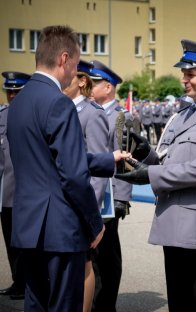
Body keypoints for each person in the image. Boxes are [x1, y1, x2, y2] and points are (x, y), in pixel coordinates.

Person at [116, 39, 196, 312]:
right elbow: (168, 161)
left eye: (190, 73)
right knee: (180, 304)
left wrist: (149, 173)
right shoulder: (182, 116)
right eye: (183, 73)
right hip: (174, 223)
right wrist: (144, 152)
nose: (184, 79)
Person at [6, 25, 129, 312]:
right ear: (63, 59)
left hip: (28, 226)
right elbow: (72, 175)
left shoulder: (18, 103)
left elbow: (49, 160)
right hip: (59, 230)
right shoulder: (59, 103)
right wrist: (94, 223)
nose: (76, 73)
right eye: (75, 64)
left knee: (36, 303)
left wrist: (107, 159)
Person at [63, 59, 111, 312]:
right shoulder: (62, 109)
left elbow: (98, 169)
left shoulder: (92, 114)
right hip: (64, 204)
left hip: (82, 206)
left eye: (69, 76)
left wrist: (92, 215)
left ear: (82, 81)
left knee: (86, 266)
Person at [88, 60, 136, 312]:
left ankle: (106, 304)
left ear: (108, 87)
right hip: (92, 192)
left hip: (109, 196)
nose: (89, 87)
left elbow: (127, 161)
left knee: (106, 254)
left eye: (94, 83)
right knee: (92, 255)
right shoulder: (89, 110)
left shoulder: (122, 117)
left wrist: (121, 198)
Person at [0, 71, 31, 300]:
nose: (11, 96)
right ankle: (17, 282)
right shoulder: (2, 115)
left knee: (27, 244)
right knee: (10, 241)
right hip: (7, 190)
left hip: (28, 191)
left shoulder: (32, 114)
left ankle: (29, 284)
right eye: (8, 91)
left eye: (16, 92)